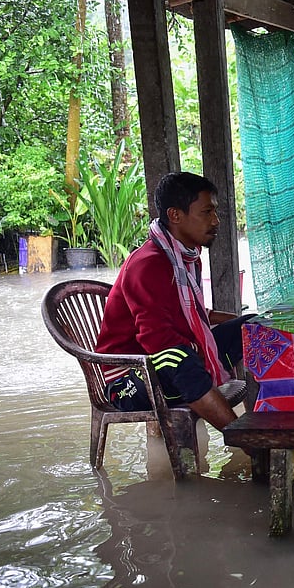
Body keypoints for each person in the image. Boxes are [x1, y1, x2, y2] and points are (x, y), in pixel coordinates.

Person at [96, 172, 250, 430]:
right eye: (206, 212)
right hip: (130, 379)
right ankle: (246, 441)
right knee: (178, 358)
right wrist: (199, 351)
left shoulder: (187, 258)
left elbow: (192, 314)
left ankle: (270, 424)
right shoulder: (148, 263)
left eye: (215, 212)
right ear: (175, 215)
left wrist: (237, 322)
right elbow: (156, 340)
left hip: (173, 359)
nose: (216, 220)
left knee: (255, 328)